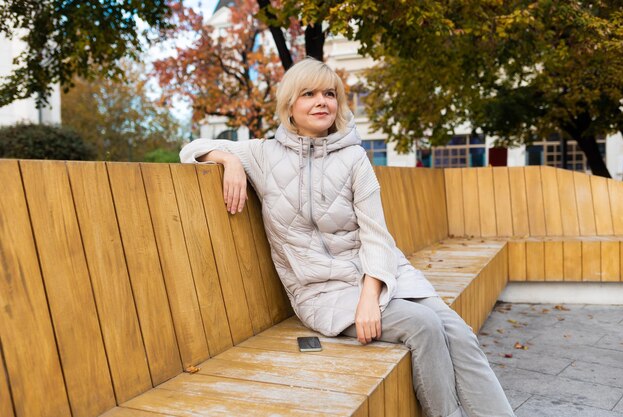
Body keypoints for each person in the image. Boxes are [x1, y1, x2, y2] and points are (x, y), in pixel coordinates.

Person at [180, 58, 515, 417]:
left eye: (329, 93)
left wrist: (370, 297)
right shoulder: (263, 155)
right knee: (424, 326)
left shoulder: (355, 157)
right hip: (323, 291)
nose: (321, 101)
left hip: (381, 276)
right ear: (289, 105)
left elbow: (377, 236)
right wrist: (229, 161)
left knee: (460, 334)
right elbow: (189, 150)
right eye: (308, 94)